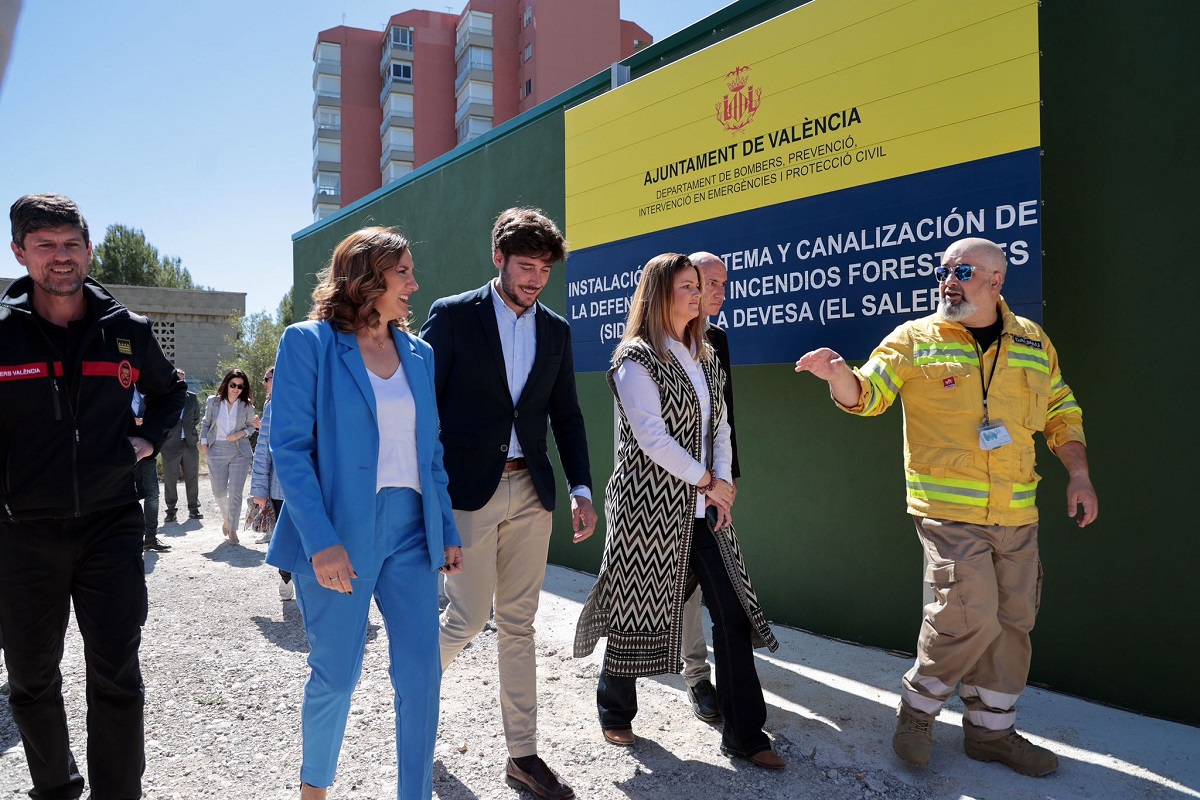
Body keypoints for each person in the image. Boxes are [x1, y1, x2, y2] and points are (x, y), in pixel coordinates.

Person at [794, 237, 1098, 777]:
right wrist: (839, 374)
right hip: (948, 509)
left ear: (995, 281)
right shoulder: (915, 338)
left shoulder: (1032, 341)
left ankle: (992, 733)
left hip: (1017, 511)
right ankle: (918, 710)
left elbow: (1061, 409)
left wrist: (1079, 473)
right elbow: (870, 393)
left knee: (1011, 621)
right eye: (944, 270)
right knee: (966, 613)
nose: (948, 280)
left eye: (962, 271)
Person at [265, 226, 463, 800]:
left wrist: (445, 526)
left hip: (412, 531)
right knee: (337, 673)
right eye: (403, 272)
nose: (413, 283)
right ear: (367, 277)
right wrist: (321, 541)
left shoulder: (419, 353)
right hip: (339, 531)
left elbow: (432, 453)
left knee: (422, 676)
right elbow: (290, 449)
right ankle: (314, 789)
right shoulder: (310, 343)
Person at [0, 193, 186, 799]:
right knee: (30, 678)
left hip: (110, 524)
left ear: (89, 248)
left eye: (72, 244)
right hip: (21, 532)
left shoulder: (125, 331)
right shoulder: (2, 335)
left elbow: (169, 393)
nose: (61, 257)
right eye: (45, 245)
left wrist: (146, 444)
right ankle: (55, 786)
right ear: (19, 252)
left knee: (116, 675)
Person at [574, 253, 785, 770]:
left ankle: (744, 734)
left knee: (732, 612)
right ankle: (615, 709)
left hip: (702, 506)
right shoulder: (634, 359)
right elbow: (653, 439)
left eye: (699, 286)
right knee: (633, 608)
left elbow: (721, 426)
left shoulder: (705, 353)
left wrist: (722, 486)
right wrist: (709, 480)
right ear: (659, 295)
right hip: (646, 508)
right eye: (688, 287)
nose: (699, 294)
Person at [421, 207, 595, 800]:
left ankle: (523, 755)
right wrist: (431, 494)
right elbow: (424, 411)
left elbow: (567, 417)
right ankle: (411, 702)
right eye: (526, 267)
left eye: (545, 270)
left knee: (518, 625)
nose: (535, 279)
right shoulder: (450, 318)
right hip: (469, 493)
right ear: (498, 258)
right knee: (467, 619)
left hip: (533, 493)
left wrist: (580, 489)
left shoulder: (557, 331)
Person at [678, 251, 741, 724]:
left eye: (723, 283)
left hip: (714, 484)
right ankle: (697, 676)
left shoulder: (716, 339)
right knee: (684, 586)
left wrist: (726, 481)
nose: (719, 291)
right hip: (671, 487)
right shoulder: (652, 343)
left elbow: (725, 417)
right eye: (710, 283)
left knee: (717, 584)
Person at [250, 366, 293, 600]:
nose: (267, 383)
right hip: (280, 488)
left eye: (269, 379)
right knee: (283, 538)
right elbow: (263, 449)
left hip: (312, 485)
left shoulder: (313, 398)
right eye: (267, 379)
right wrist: (259, 489)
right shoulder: (271, 407)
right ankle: (286, 577)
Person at [200, 368, 256, 544]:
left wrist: (240, 434)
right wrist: (203, 442)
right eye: (233, 384)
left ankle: (232, 529)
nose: (236, 389)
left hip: (239, 451)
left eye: (240, 386)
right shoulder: (213, 402)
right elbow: (206, 423)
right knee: (218, 492)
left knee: (235, 492)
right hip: (216, 450)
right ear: (226, 384)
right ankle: (227, 518)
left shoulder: (247, 406)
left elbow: (251, 427)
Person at [161, 368, 202, 523]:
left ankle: (193, 509)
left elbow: (196, 418)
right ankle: (171, 511)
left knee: (192, 477)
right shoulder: (163, 398)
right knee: (170, 479)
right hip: (170, 445)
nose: (181, 381)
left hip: (189, 444)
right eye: (178, 378)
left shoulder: (192, 398)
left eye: (183, 379)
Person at [133, 387, 170, 552]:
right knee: (127, 496)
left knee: (153, 494)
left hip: (148, 452)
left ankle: (150, 538)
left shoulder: (153, 394)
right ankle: (131, 538)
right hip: (124, 451)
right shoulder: (118, 389)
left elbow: (163, 420)